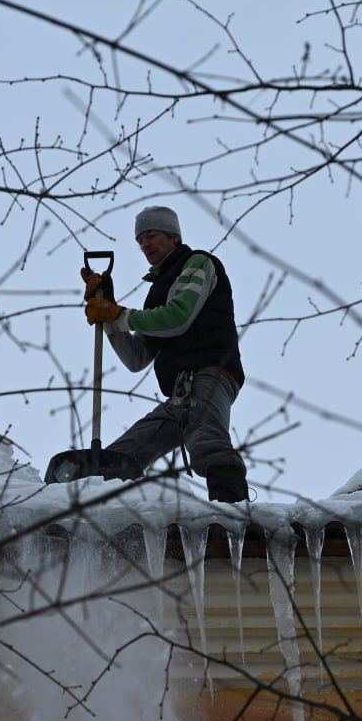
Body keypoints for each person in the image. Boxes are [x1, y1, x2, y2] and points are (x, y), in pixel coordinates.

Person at [82, 205, 250, 502]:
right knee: (118, 459)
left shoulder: (198, 264)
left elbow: (178, 317)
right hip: (179, 393)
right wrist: (110, 318)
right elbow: (137, 358)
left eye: (152, 235)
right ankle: (97, 508)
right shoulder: (157, 291)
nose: (145, 245)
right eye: (140, 241)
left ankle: (235, 519)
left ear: (173, 236)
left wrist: (120, 314)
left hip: (210, 372)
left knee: (207, 441)